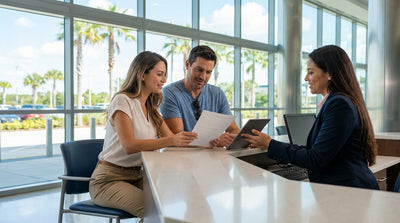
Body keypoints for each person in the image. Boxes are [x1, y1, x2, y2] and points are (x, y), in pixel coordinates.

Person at [242, 45, 379, 190]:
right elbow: (315, 151)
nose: (306, 78)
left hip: (351, 192)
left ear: (329, 74)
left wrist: (270, 144)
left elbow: (316, 158)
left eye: (311, 72)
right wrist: (268, 143)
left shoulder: (339, 104)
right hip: (345, 190)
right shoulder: (338, 101)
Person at [89, 51, 198, 220]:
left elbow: (173, 142)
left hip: (139, 176)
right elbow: (129, 146)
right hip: (108, 180)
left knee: (172, 206)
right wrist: (170, 140)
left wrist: (208, 141)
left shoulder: (152, 108)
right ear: (142, 74)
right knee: (153, 212)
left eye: (165, 75)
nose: (163, 80)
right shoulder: (122, 100)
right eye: (159, 74)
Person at [160, 45, 240, 147]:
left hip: (208, 157)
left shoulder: (217, 93)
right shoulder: (169, 93)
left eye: (208, 72)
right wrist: (216, 141)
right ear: (187, 64)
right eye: (199, 70)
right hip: (178, 157)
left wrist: (241, 139)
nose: (203, 77)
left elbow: (233, 129)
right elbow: (178, 137)